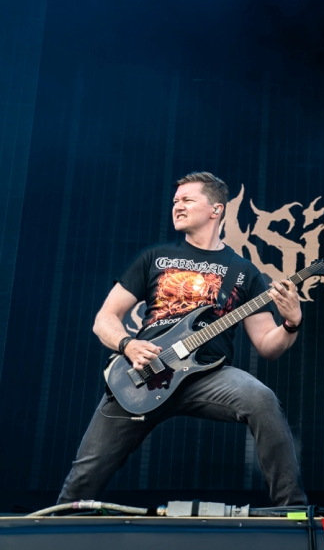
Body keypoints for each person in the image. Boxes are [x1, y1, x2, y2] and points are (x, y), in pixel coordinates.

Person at [58, 172, 307, 507]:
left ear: (216, 209)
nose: (177, 206)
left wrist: (291, 322)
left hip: (207, 375)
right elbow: (105, 319)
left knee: (261, 399)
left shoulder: (243, 271)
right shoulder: (154, 256)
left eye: (187, 200)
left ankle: (292, 510)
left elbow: (267, 345)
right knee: (84, 476)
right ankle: (56, 525)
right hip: (144, 374)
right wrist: (128, 344)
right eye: (176, 201)